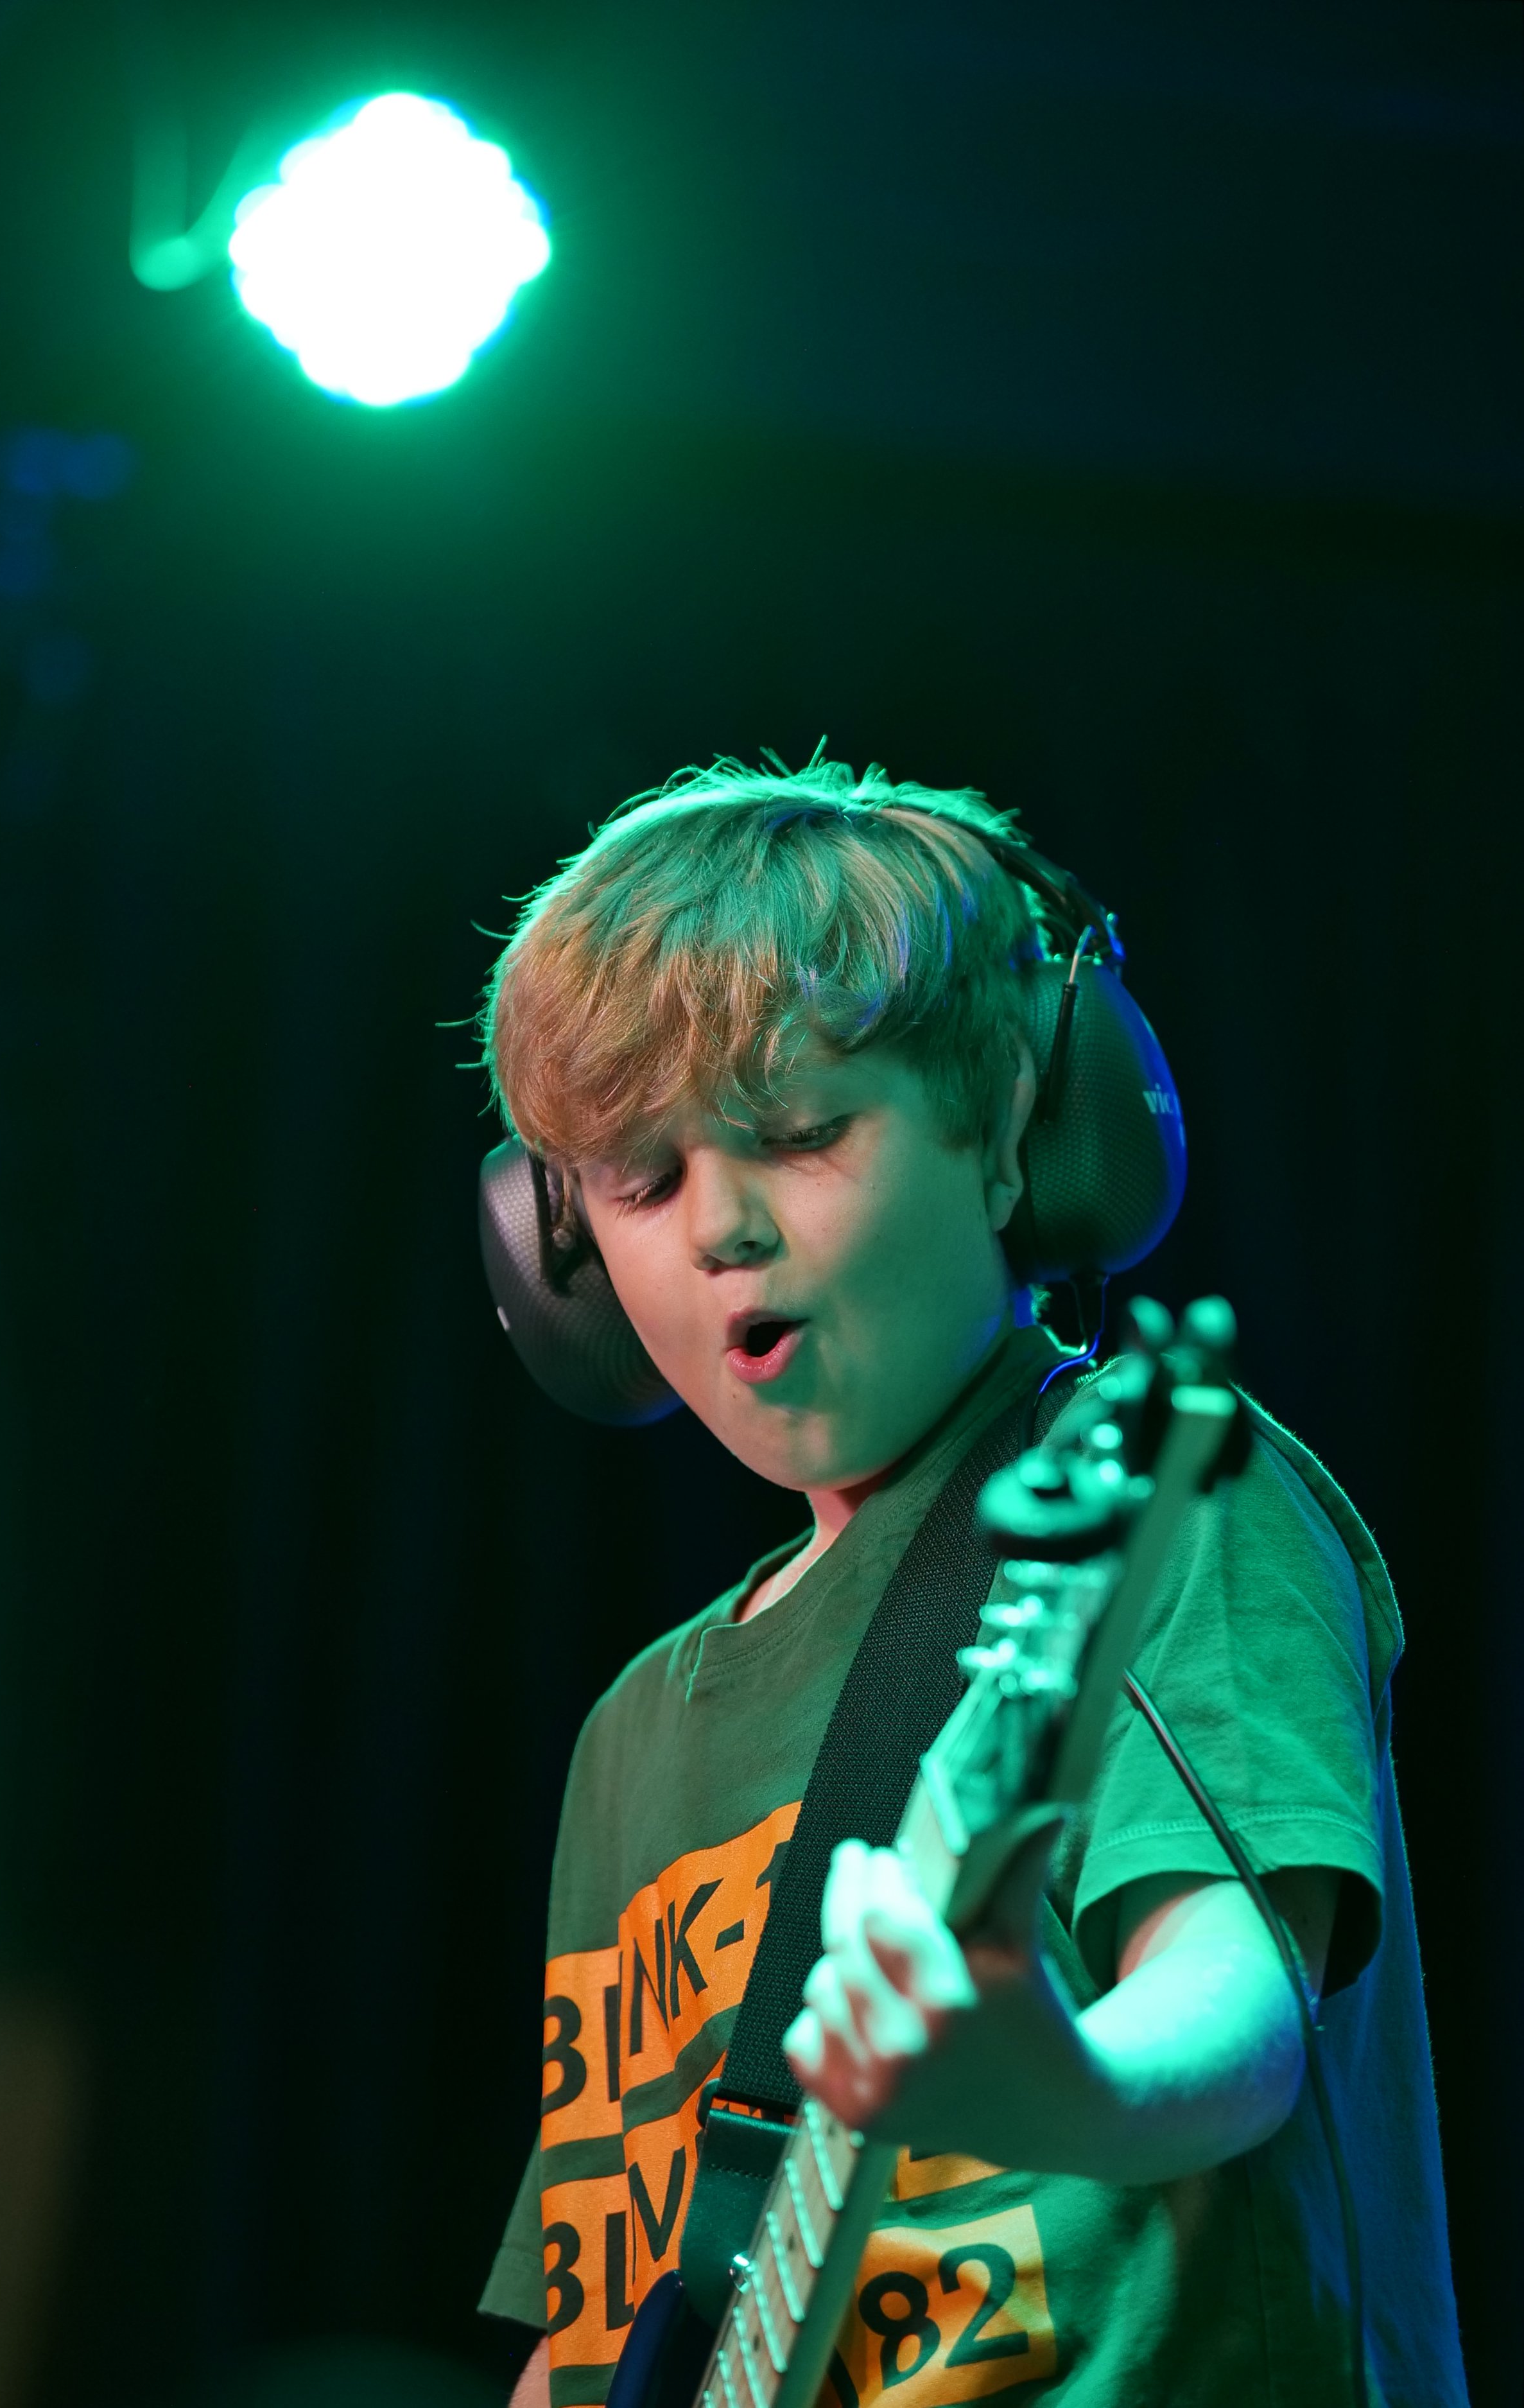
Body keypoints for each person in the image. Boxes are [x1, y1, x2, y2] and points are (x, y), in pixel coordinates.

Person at [474, 753, 1465, 2407]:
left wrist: (1052, 2077)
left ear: (1017, 1136)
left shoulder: (1159, 1499)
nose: (719, 1226)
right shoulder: (630, 1734)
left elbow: (1240, 2019)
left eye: (796, 1135)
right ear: (563, 1266)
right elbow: (603, 2319)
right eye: (642, 1184)